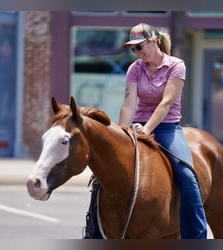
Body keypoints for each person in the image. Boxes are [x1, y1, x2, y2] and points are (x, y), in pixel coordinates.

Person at [82, 23, 207, 239]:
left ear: (154, 41)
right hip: (138, 125)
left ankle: (196, 236)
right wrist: (120, 134)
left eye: (140, 47)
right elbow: (129, 102)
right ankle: (92, 234)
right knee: (100, 176)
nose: (137, 53)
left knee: (187, 174)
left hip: (167, 127)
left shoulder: (176, 65)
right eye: (133, 49)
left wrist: (147, 130)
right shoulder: (135, 68)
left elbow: (166, 103)